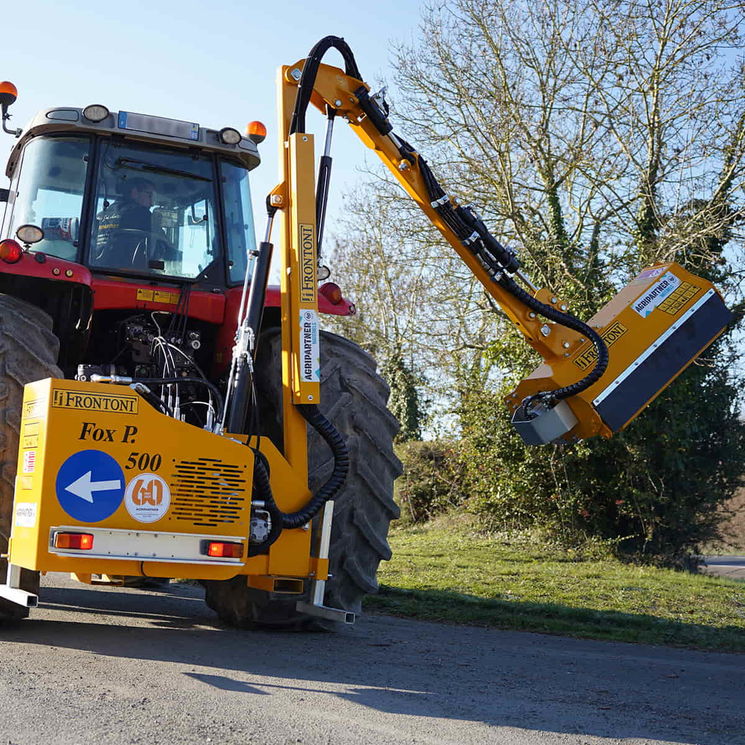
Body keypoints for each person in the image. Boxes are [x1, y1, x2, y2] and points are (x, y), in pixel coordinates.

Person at [94, 177, 169, 267]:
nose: (152, 203)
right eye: (150, 195)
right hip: (129, 270)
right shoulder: (142, 214)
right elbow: (164, 245)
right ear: (134, 192)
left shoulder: (101, 215)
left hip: (99, 267)